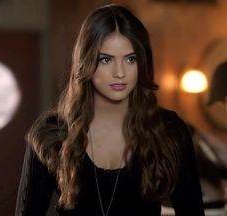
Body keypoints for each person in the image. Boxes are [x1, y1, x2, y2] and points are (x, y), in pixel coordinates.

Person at [15, 4, 205, 216]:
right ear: (86, 60)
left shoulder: (169, 130)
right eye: (106, 59)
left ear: (141, 62)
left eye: (130, 59)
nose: (120, 73)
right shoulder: (51, 132)